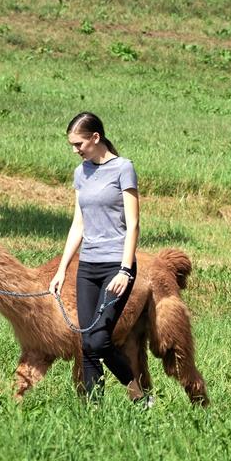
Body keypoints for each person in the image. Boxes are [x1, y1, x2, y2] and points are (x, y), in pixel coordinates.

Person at [49, 112, 148, 405]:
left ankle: (139, 395)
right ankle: (95, 412)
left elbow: (133, 225)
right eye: (72, 145)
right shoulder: (81, 173)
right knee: (87, 342)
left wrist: (124, 270)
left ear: (96, 138)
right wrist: (62, 270)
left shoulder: (123, 169)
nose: (76, 150)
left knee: (98, 339)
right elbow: (78, 224)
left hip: (116, 267)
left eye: (79, 143)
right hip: (88, 267)